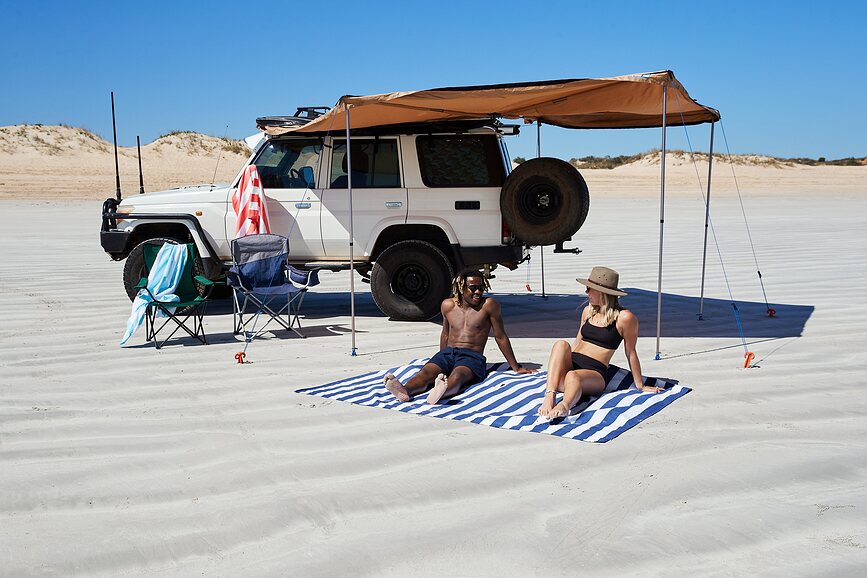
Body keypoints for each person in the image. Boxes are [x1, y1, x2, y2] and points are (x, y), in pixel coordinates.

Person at [384, 269, 536, 404]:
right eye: (473, 288)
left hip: (471, 356)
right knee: (426, 372)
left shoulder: (489, 305)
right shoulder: (448, 305)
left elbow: (500, 336)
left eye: (481, 287)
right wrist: (441, 361)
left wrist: (516, 367)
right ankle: (404, 390)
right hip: (448, 353)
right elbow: (445, 334)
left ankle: (441, 392)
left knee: (458, 376)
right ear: (461, 288)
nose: (478, 292)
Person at [539, 266, 663, 420]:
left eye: (589, 288)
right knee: (561, 344)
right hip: (570, 371)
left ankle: (565, 405)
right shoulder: (588, 311)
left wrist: (640, 385)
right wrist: (557, 370)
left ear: (602, 292)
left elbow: (630, 352)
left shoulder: (624, 318)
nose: (586, 292)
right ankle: (550, 396)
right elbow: (577, 341)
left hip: (593, 375)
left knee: (573, 376)